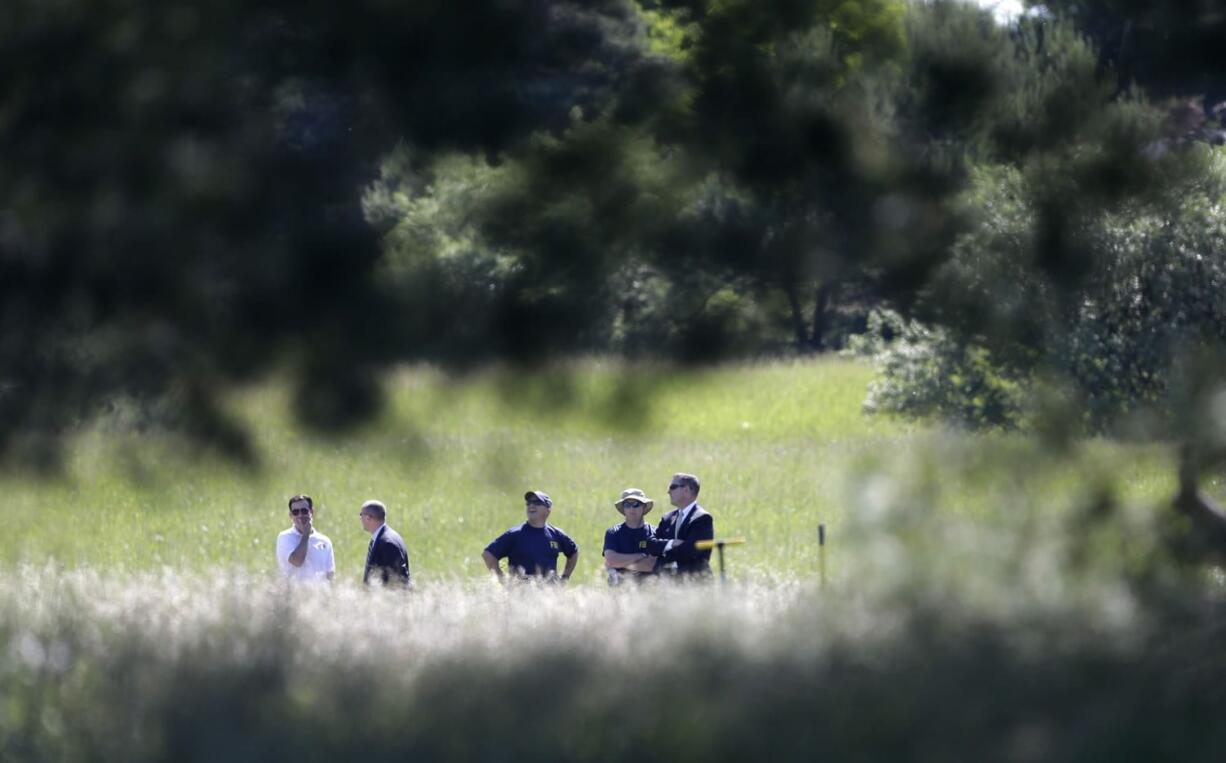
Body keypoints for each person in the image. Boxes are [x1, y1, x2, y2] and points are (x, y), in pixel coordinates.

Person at [482, 490, 579, 582]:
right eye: (529, 503)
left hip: (549, 595)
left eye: (537, 502)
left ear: (547, 510)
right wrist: (504, 582)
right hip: (522, 595)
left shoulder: (556, 535)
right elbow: (488, 555)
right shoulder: (515, 534)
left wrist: (565, 578)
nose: (531, 505)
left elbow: (573, 552)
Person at [643, 473, 713, 578]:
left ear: (686, 490)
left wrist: (662, 551)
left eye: (673, 487)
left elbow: (690, 552)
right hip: (665, 582)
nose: (668, 492)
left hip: (694, 583)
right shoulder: (667, 518)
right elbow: (649, 545)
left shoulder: (702, 518)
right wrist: (671, 543)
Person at [602, 488, 658, 585]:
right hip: (619, 592)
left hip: (648, 591)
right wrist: (642, 555)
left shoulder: (655, 533)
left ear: (644, 507)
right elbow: (611, 560)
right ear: (623, 508)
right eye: (627, 505)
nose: (632, 509)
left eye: (636, 504)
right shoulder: (613, 532)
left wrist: (621, 564)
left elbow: (650, 565)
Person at [275, 494, 335, 582]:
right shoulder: (284, 537)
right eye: (295, 512)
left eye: (304, 511)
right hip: (294, 594)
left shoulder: (325, 541)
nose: (300, 515)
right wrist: (306, 535)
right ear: (291, 515)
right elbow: (297, 561)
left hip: (319, 594)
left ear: (311, 512)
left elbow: (330, 574)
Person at [358, 499, 411, 587]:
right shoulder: (386, 536)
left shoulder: (387, 543)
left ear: (368, 518)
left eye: (361, 515)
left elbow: (400, 579)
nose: (360, 518)